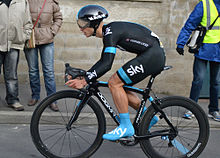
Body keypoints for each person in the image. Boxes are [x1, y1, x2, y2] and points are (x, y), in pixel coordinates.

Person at [65, 5, 166, 141]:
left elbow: (107, 64)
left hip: (153, 55)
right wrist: (86, 75)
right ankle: (148, 116)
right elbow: (103, 61)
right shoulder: (109, 33)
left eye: (83, 24)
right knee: (120, 87)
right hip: (151, 54)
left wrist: (85, 80)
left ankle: (125, 126)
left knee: (114, 82)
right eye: (79, 23)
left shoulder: (111, 33)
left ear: (94, 23)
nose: (81, 28)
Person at [176, 0, 220, 121]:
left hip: (218, 50)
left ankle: (214, 110)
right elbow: (190, 24)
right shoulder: (204, 4)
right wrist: (181, 42)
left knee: (216, 82)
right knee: (198, 80)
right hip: (203, 49)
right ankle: (191, 109)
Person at [24, 0, 63, 111]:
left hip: (47, 39)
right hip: (31, 38)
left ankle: (52, 100)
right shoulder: (26, 1)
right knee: (33, 70)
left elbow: (58, 18)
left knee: (49, 71)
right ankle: (35, 96)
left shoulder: (51, 2)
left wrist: (52, 31)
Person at [0, 0, 32, 111]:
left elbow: (28, 23)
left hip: (14, 44)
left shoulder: (22, 2)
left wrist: (24, 36)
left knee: (11, 75)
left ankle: (13, 100)